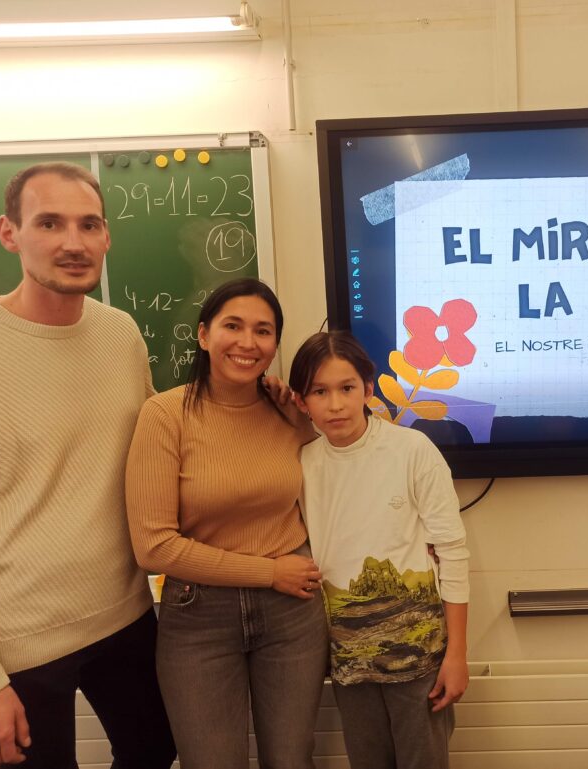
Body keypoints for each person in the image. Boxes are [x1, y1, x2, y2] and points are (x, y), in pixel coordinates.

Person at [0, 162, 176, 768]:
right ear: (9, 233)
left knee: (156, 748)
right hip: (21, 642)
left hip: (126, 613)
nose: (74, 242)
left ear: (106, 236)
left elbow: (160, 449)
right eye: (49, 223)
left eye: (88, 224)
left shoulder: (120, 334)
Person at [125, 278, 329, 769]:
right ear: (203, 335)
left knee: (292, 760)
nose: (247, 342)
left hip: (292, 612)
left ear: (275, 344)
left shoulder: (290, 412)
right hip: (199, 614)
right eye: (232, 326)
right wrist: (267, 572)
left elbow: (355, 461)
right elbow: (153, 547)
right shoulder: (164, 415)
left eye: (263, 331)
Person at [288, 331, 470, 769]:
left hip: (421, 659)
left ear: (368, 389)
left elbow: (453, 551)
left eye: (347, 388)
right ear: (301, 401)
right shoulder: (303, 463)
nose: (335, 404)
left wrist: (457, 654)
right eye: (319, 391)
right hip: (349, 661)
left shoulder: (412, 450)